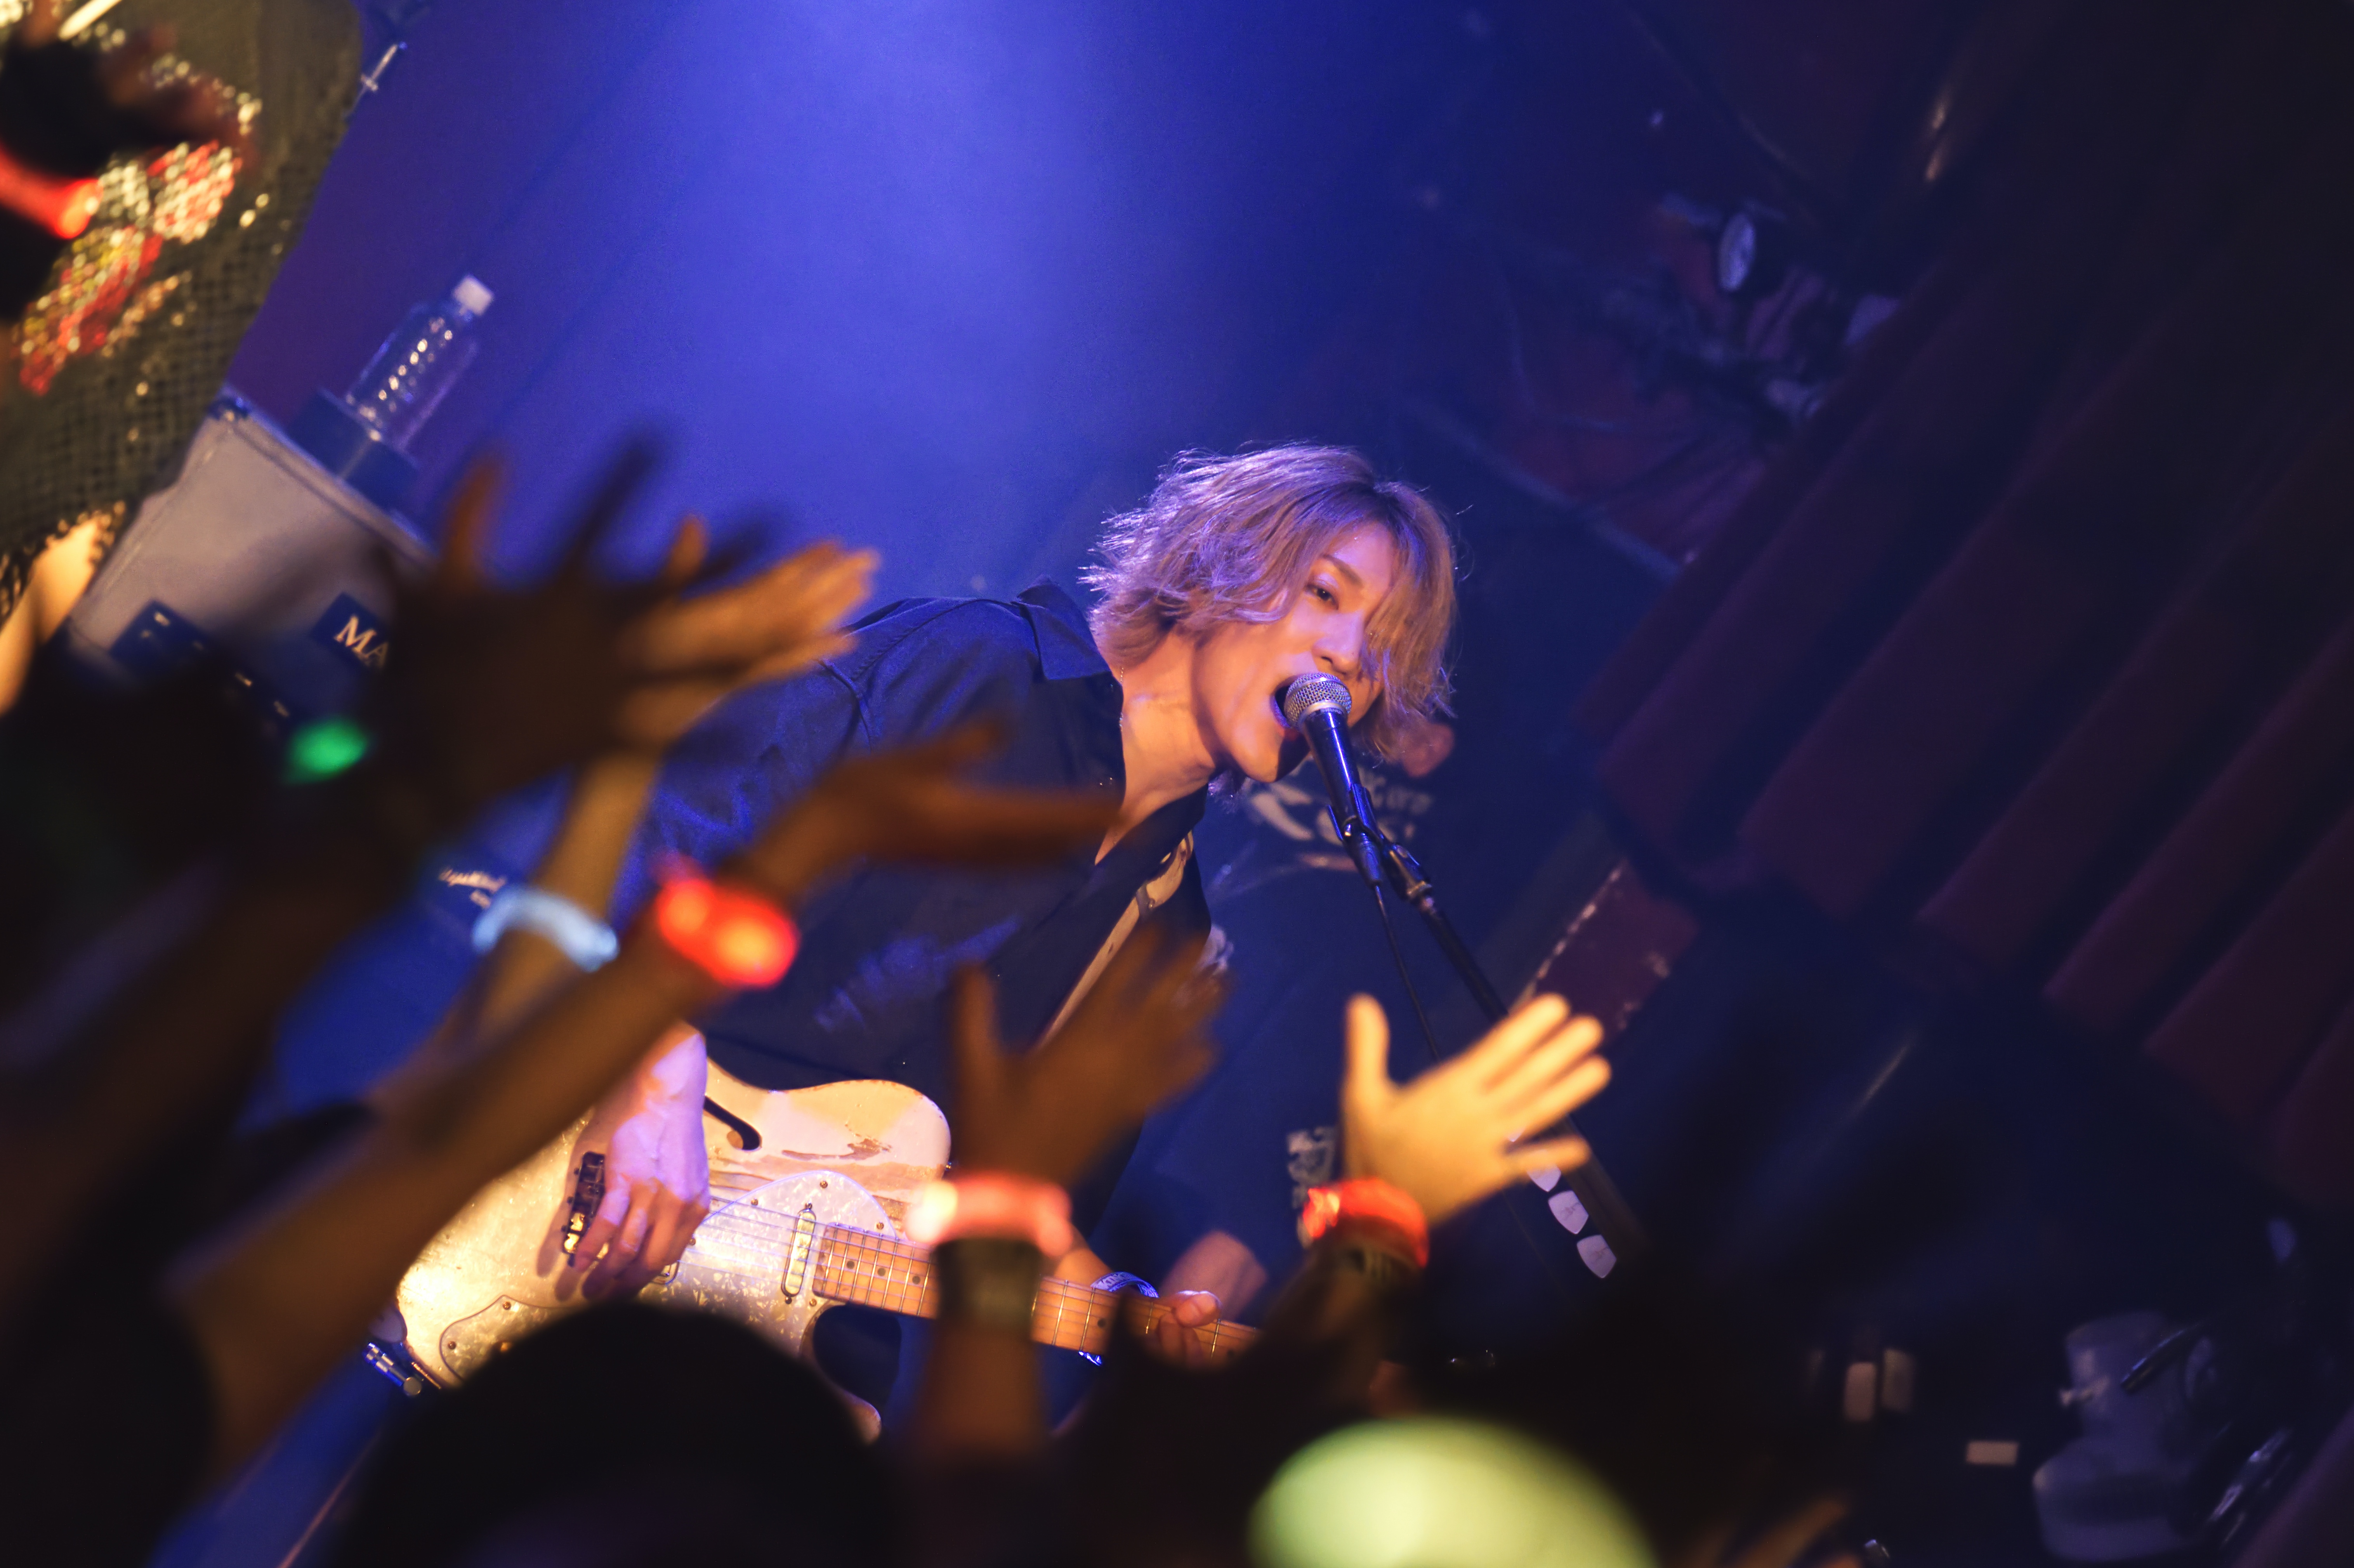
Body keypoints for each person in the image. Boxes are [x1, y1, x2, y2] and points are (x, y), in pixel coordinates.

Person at [569, 444, 1460, 1317]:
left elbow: (1029, 1207)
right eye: (1325, 593)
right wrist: (653, 1066)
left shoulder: (1168, 928)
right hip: (591, 1170)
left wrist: (1127, 1315)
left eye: (1381, 652)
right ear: (1221, 563)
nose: (1351, 659)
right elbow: (669, 830)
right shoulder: (978, 668)